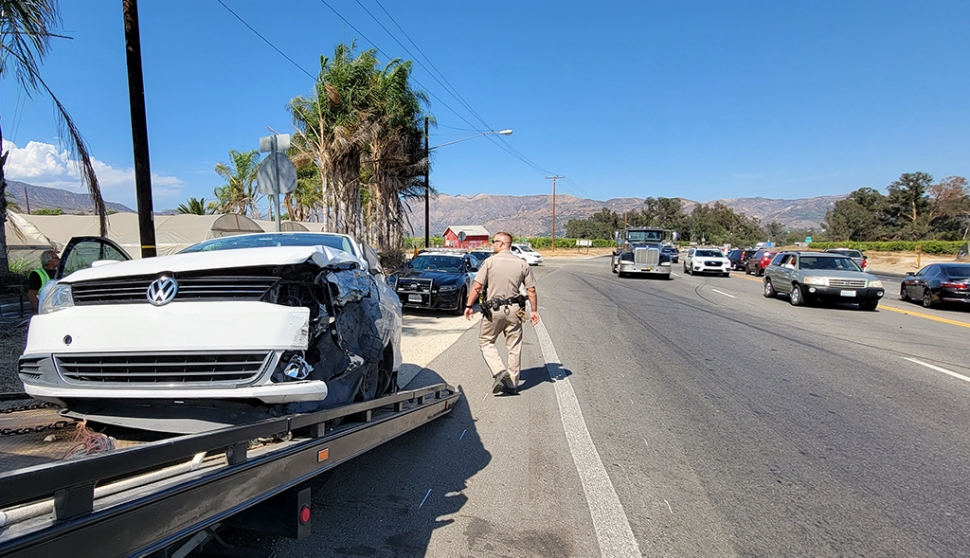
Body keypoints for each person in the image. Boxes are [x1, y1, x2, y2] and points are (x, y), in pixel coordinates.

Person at [464, 232, 540, 395]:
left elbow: (477, 286)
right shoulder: (522, 263)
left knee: (486, 341)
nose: (492, 245)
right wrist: (534, 311)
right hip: (516, 310)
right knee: (514, 346)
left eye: (494, 242)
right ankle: (512, 385)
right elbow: (531, 290)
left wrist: (469, 305)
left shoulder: (490, 262)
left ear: (501, 244)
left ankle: (499, 371)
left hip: (494, 310)